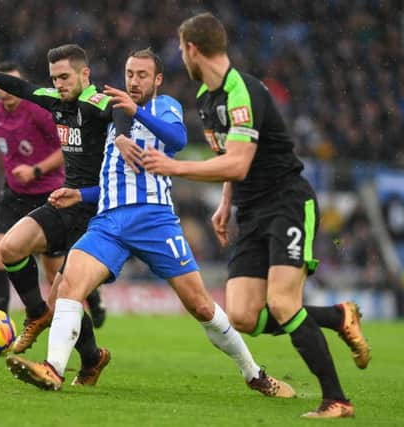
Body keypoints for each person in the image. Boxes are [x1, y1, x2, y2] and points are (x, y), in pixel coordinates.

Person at [5, 48, 295, 399]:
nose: (134, 80)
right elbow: (112, 176)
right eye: (130, 73)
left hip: (154, 220)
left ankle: (254, 374)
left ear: (157, 80)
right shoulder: (111, 115)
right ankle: (53, 369)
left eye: (143, 75)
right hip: (109, 220)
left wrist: (136, 110)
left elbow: (178, 139)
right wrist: (80, 196)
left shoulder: (163, 106)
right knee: (68, 285)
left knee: (201, 306)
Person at [142, 13, 366, 418]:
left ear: (193, 49)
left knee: (282, 303)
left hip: (287, 202)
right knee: (244, 315)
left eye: (180, 49)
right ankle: (338, 316)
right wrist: (226, 203)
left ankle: (337, 399)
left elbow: (240, 163)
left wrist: (173, 167)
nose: (180, 56)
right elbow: (228, 160)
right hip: (251, 209)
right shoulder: (206, 99)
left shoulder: (241, 91)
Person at [0, 44, 128, 384]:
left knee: (65, 294)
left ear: (84, 74)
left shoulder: (99, 105)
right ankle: (36, 313)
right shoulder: (55, 102)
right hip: (62, 202)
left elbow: (121, 111)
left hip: (97, 213)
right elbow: (22, 88)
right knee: (9, 249)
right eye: (54, 78)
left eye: (65, 77)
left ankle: (89, 358)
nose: (58, 84)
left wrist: (122, 136)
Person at [0, 61, 65, 313]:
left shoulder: (38, 111)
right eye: (1, 83)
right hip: (14, 195)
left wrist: (36, 170)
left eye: (12, 83)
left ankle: (88, 304)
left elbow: (65, 148)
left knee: (54, 270)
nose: (6, 88)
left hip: (49, 193)